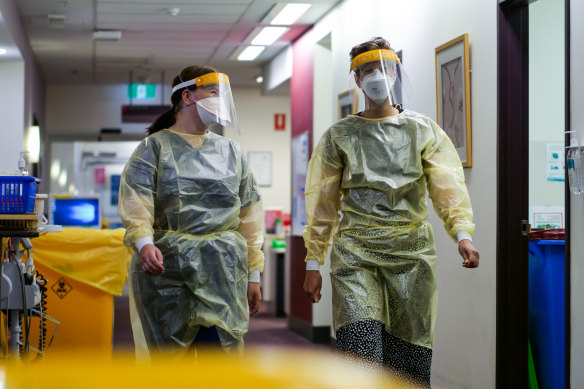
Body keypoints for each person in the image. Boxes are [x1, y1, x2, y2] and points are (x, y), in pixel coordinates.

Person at [302, 37, 479, 387]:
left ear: (396, 73)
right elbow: (322, 204)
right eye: (367, 70)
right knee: (360, 355)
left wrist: (463, 234)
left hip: (410, 256)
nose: (377, 77)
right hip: (355, 255)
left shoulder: (422, 130)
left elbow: (448, 188)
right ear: (356, 79)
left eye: (383, 68)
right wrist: (313, 263)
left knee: (408, 363)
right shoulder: (339, 136)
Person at [118, 65, 264, 357]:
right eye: (213, 93)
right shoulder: (152, 149)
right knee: (171, 368)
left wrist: (254, 274)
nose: (220, 102)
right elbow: (137, 201)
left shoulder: (231, 152)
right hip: (167, 273)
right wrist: (144, 243)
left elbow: (249, 215)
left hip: (222, 273)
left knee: (218, 360)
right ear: (187, 97)